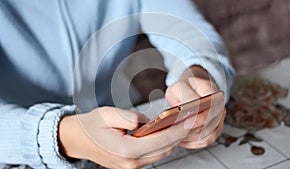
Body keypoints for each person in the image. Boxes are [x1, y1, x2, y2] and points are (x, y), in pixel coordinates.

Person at [0, 0, 234, 168]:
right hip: (13, 146)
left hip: (121, 116)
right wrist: (59, 135)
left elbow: (184, 27)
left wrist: (199, 72)